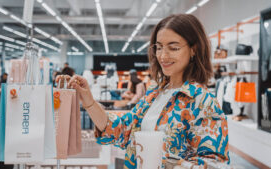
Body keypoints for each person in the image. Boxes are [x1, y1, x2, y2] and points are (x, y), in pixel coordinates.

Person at [58, 14, 230, 169]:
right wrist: (88, 100)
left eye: (173, 47)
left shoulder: (202, 101)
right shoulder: (155, 93)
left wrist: (167, 163)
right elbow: (122, 129)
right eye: (159, 47)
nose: (163, 56)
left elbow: (216, 163)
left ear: (193, 49)